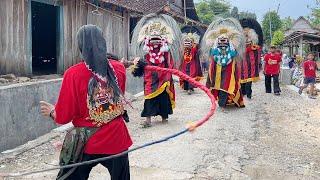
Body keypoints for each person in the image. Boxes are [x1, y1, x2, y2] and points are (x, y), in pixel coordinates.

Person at [40, 25, 132, 180]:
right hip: (117, 138)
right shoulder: (119, 68)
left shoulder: (73, 74)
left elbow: (63, 117)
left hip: (86, 142)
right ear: (103, 42)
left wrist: (51, 112)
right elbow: (118, 99)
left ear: (80, 46)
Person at [130, 13, 182, 127]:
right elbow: (140, 64)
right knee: (149, 97)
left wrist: (171, 70)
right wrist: (137, 64)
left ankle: (164, 117)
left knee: (164, 97)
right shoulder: (145, 52)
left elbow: (170, 62)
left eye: (157, 39)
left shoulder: (166, 52)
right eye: (152, 39)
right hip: (150, 78)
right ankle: (148, 119)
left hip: (164, 77)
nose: (155, 42)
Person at [202, 17, 245, 109]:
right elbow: (211, 53)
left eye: (224, 40)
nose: (222, 41)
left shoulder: (233, 51)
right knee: (218, 85)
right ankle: (222, 102)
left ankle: (223, 103)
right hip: (216, 69)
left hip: (229, 68)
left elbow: (234, 53)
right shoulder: (213, 50)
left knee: (227, 85)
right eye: (220, 40)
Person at [239, 18, 263, 99]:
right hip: (241, 62)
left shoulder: (254, 41)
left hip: (251, 63)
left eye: (247, 30)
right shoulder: (239, 40)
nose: (245, 31)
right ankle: (242, 92)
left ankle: (249, 94)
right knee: (241, 78)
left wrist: (255, 48)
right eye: (244, 30)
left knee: (249, 78)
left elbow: (257, 49)